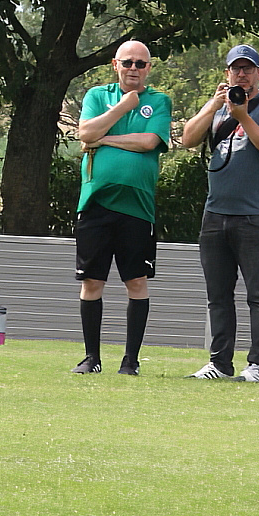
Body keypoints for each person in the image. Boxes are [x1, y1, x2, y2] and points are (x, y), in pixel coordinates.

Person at [181, 44, 259, 382]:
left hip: (256, 215)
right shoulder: (220, 107)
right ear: (227, 73)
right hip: (216, 213)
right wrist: (215, 105)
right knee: (218, 295)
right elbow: (187, 139)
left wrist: (243, 116)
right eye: (236, 69)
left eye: (248, 69)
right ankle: (219, 362)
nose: (242, 74)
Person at [71, 39, 172, 376]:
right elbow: (85, 131)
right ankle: (91, 358)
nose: (133, 69)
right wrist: (123, 107)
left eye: (140, 64)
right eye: (127, 62)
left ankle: (130, 361)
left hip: (137, 207)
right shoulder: (98, 96)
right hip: (95, 203)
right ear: (115, 65)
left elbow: (150, 141)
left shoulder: (159, 101)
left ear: (149, 68)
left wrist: (104, 139)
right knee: (92, 282)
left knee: (137, 282)